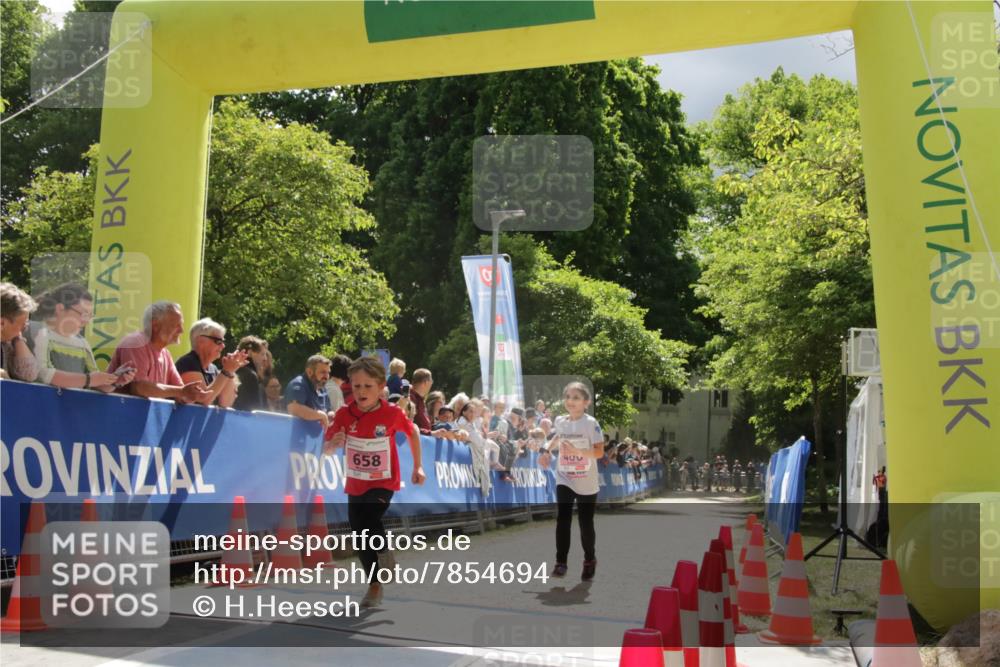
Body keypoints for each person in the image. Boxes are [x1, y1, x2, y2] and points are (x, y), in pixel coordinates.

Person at [323, 356, 426, 609]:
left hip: (384, 481)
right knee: (359, 534)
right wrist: (332, 444)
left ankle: (383, 553)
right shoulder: (345, 414)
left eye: (368, 386)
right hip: (356, 483)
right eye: (356, 386)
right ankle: (375, 584)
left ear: (381, 387)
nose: (361, 392)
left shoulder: (391, 413)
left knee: (370, 518)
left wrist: (418, 465)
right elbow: (325, 448)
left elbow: (412, 431)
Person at [538, 382, 604, 581]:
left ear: (586, 402)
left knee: (585, 524)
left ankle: (590, 560)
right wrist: (546, 450)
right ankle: (561, 562)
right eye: (568, 397)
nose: (570, 401)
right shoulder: (560, 420)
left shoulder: (591, 423)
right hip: (565, 476)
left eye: (576, 398)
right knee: (563, 519)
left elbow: (599, 452)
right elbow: (558, 436)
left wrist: (579, 452)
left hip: (586, 481)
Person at [30, 282, 134, 392]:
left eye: (90, 316)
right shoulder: (40, 333)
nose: (87, 321)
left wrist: (116, 380)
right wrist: (89, 379)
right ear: (60, 309)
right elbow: (44, 374)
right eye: (84, 314)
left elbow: (97, 384)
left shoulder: (82, 343)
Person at [107, 301, 209, 403]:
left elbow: (181, 393)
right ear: (155, 325)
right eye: (177, 325)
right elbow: (139, 388)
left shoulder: (165, 354)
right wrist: (182, 392)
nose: (181, 330)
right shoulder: (135, 342)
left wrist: (194, 394)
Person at [175, 318, 247, 407]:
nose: (223, 345)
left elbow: (225, 403)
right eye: (218, 341)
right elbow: (203, 400)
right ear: (201, 341)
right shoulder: (187, 362)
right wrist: (226, 371)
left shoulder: (213, 369)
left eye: (223, 341)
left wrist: (231, 369)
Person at [0, 282, 40, 381]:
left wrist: (17, 339)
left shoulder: (6, 345)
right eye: (23, 324)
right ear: (2, 323)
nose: (25, 328)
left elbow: (29, 375)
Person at [285, 354, 335, 428]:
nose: (326, 376)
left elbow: (328, 410)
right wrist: (321, 415)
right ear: (309, 372)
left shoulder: (322, 388)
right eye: (323, 372)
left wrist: (331, 415)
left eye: (328, 372)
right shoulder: (298, 384)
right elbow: (294, 409)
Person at [233, 336, 269, 411]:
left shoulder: (234, 371)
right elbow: (253, 409)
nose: (265, 358)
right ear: (249, 353)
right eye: (262, 354)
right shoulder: (249, 375)